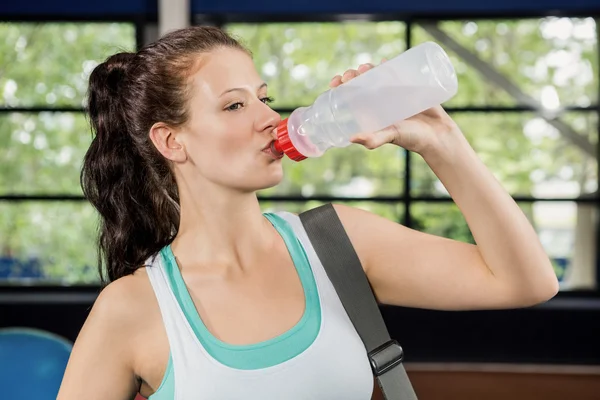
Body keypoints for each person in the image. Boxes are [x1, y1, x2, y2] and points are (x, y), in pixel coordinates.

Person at [57, 26, 559, 400]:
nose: (270, 118)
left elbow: (527, 282)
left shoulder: (338, 243)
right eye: (234, 106)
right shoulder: (131, 309)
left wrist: (440, 142)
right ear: (171, 140)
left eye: (264, 98)